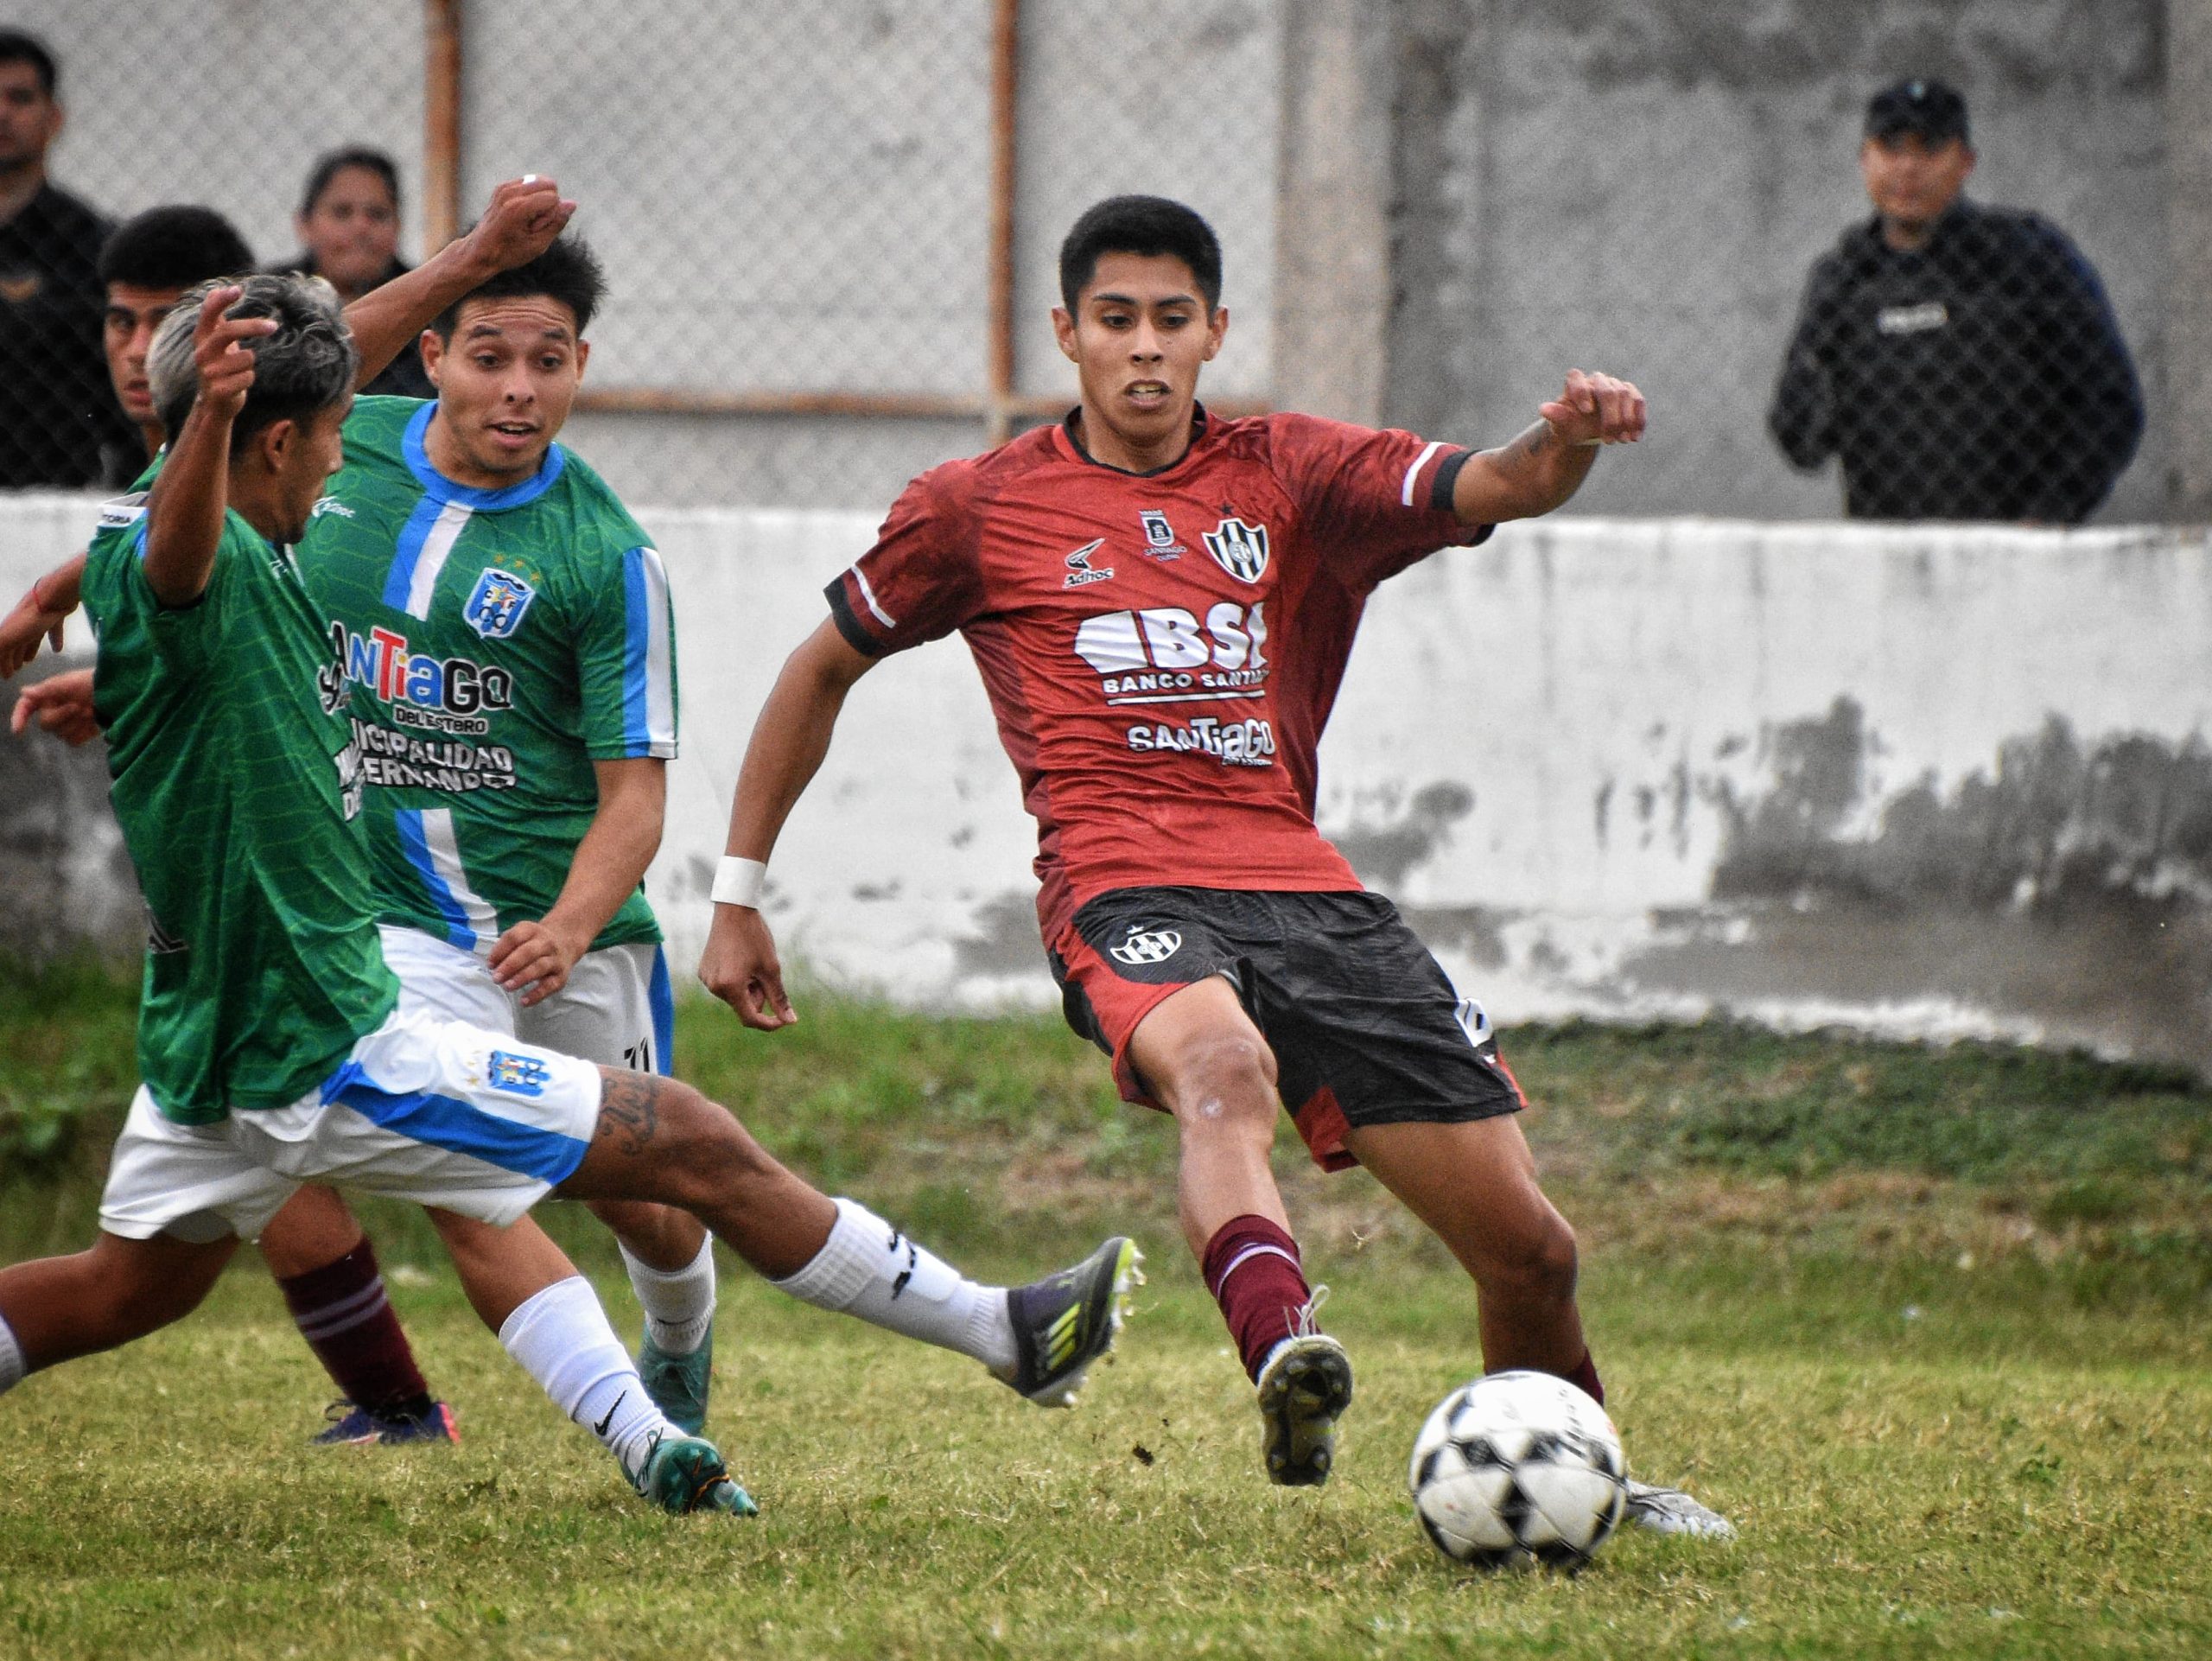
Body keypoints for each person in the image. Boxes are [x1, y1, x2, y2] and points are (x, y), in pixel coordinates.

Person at [0, 248, 1138, 1517]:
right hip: (321, 1035)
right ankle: (1006, 1334)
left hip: (215, 1035)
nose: (348, 453)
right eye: (325, 432)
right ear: (265, 444)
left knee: (123, 1287)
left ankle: (668, 1409)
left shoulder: (257, 554)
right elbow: (177, 555)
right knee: (685, 1138)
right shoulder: (203, 561)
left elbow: (183, 563)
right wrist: (210, 412)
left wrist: (120, 637)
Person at [699, 194, 1729, 1535]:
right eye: (1115, 320)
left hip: (1308, 887)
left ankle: (1588, 1471)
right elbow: (820, 664)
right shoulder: (980, 507)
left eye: (1171, 321)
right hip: (1123, 881)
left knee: (1531, 1248)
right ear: (1066, 334)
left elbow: (1506, 482)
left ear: (1215, 332)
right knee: (1221, 1069)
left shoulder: (1294, 473)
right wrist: (737, 892)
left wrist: (1566, 435)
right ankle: (1285, 1345)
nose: (1144, 348)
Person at [1767, 77, 2144, 523]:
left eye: (1928, 149)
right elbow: (1800, 442)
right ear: (1864, 159)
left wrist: (2048, 517)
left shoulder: (2028, 258)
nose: (1908, 168)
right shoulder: (1845, 277)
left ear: (1965, 161)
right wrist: (1823, 380)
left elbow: (2111, 403)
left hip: (2013, 554)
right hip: (1887, 557)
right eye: (1891, 148)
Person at [0, 28, 132, 487]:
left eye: (20, 98)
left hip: (65, 492)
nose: (2, 113)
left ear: (54, 117)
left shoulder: (93, 244)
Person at [273, 148, 433, 398]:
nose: (361, 227)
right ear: (304, 223)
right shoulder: (269, 303)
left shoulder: (429, 305)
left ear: (398, 226)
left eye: (377, 214)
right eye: (342, 212)